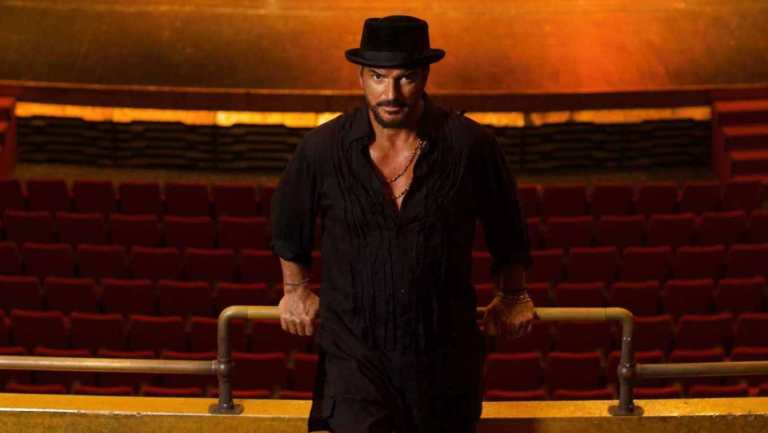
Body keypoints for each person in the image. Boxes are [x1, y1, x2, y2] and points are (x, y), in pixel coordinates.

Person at [271, 15, 535, 433]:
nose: (390, 94)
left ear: (425, 76)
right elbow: (289, 223)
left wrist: (514, 294)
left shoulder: (471, 145)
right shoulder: (322, 148)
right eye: (378, 77)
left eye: (405, 78)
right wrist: (294, 289)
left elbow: (508, 227)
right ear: (361, 77)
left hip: (443, 358)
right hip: (354, 358)